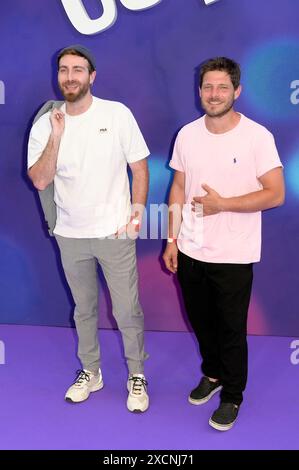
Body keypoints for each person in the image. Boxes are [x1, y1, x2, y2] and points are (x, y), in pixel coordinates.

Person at [163, 57, 284, 431]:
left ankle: (232, 394)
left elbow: (276, 193)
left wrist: (223, 205)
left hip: (234, 252)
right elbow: (179, 187)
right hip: (189, 247)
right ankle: (213, 374)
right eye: (207, 87)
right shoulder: (187, 134)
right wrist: (171, 238)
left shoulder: (257, 137)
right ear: (199, 91)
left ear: (237, 91)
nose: (214, 94)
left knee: (231, 328)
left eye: (221, 87)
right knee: (201, 321)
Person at [27, 45, 150, 412]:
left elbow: (140, 167)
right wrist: (57, 136)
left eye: (77, 69)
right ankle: (91, 372)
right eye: (64, 69)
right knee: (84, 308)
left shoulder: (116, 114)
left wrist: (136, 215)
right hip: (70, 233)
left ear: (91, 76)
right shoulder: (45, 123)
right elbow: (39, 179)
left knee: (127, 309)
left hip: (115, 232)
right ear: (58, 76)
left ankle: (137, 376)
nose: (70, 76)